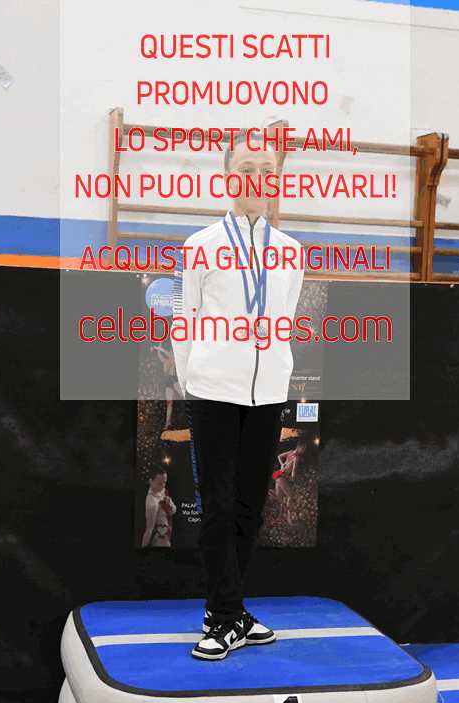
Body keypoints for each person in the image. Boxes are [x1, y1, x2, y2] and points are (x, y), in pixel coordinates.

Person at [170, 131, 305, 660]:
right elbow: (184, 320)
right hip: (213, 392)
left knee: (251, 505)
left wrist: (278, 374)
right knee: (219, 505)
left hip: (267, 394)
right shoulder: (200, 246)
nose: (257, 177)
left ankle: (228, 612)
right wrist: (195, 380)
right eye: (247, 167)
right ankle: (225, 616)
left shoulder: (291, 253)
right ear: (229, 177)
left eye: (267, 169)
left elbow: (285, 321)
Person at [271, 440, 307, 525]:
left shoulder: (290, 452)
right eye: (303, 449)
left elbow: (279, 456)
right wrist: (293, 479)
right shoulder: (296, 458)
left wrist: (282, 464)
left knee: (279, 497)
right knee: (290, 495)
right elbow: (293, 471)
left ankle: (280, 517)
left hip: (278, 474)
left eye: (304, 449)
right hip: (281, 476)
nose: (303, 451)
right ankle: (289, 517)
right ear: (299, 447)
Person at [141, 466, 177, 548]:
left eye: (165, 482)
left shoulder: (163, 491)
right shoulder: (152, 503)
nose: (163, 486)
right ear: (151, 481)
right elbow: (149, 530)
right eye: (160, 483)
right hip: (160, 538)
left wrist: (170, 504)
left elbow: (173, 511)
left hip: (168, 534)